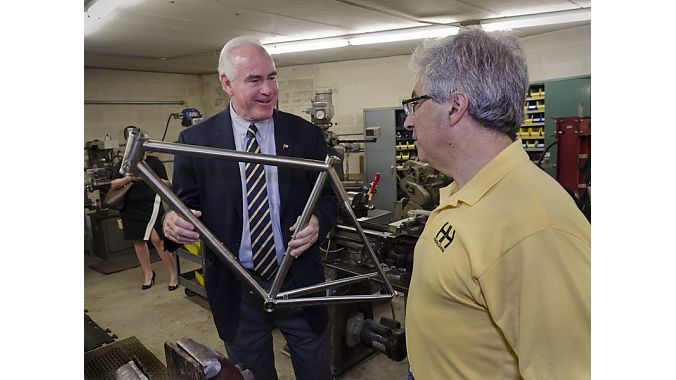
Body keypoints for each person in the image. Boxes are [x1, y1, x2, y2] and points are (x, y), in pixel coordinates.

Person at [402, 30, 591, 379]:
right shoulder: (466, 189)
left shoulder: (537, 229)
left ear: (456, 107)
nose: (408, 120)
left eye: (415, 103)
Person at [162, 36, 338, 380]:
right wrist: (172, 222)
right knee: (251, 374)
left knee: (316, 369)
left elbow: (330, 198)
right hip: (237, 289)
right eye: (254, 80)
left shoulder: (306, 136)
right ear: (226, 83)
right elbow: (183, 205)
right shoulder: (196, 142)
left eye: (272, 77)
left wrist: (318, 220)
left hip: (297, 281)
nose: (268, 89)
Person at [111, 126, 179, 291]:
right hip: (130, 207)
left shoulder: (153, 161)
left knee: (157, 240)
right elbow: (114, 184)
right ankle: (148, 274)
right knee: (139, 240)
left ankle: (173, 274)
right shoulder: (124, 163)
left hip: (151, 204)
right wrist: (129, 178)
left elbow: (167, 182)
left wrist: (147, 176)